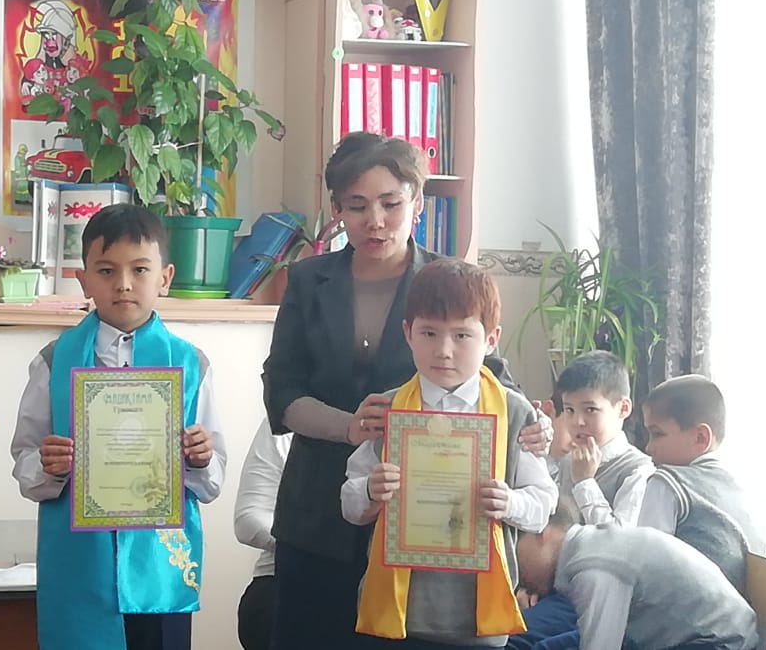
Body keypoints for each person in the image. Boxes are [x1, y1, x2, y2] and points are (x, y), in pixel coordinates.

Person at [262, 132, 550, 650]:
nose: (375, 220)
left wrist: (538, 426)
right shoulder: (306, 280)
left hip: (423, 528)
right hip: (318, 511)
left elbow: (496, 378)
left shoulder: (446, 281)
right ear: (337, 210)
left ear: (417, 203)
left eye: (391, 204)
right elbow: (282, 390)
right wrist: (349, 426)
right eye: (357, 206)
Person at [10, 204, 226, 650]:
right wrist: (48, 465)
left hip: (160, 565)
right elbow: (25, 461)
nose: (123, 284)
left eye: (139, 269)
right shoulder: (54, 363)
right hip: (79, 564)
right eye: (106, 270)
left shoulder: (190, 364)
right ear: (84, 280)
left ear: (164, 277)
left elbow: (212, 479)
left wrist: (200, 457)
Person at [342, 258, 558, 647]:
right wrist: (371, 491)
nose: (443, 351)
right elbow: (350, 504)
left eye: (461, 335)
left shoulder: (513, 412)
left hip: (479, 618)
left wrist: (509, 502)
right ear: (407, 333)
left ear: (491, 339)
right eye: (429, 333)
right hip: (401, 613)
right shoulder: (388, 409)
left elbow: (543, 502)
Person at [516, 500, 759, 650]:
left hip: (716, 641)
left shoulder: (594, 567)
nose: (511, 568)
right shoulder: (588, 546)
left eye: (513, 548)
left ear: (542, 533)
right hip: (665, 634)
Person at [637, 374, 765, 592]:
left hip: (686, 611)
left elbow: (644, 568)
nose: (649, 447)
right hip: (743, 612)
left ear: (700, 438)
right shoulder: (741, 489)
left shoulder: (666, 483)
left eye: (657, 434)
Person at [554, 350, 653, 526]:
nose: (578, 421)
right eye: (569, 410)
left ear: (623, 408)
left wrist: (584, 482)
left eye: (590, 409)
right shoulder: (567, 462)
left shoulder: (637, 470)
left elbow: (619, 537)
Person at [234, 416, 292, 650]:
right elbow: (248, 519)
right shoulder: (289, 416)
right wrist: (310, 545)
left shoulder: (397, 418)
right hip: (285, 578)